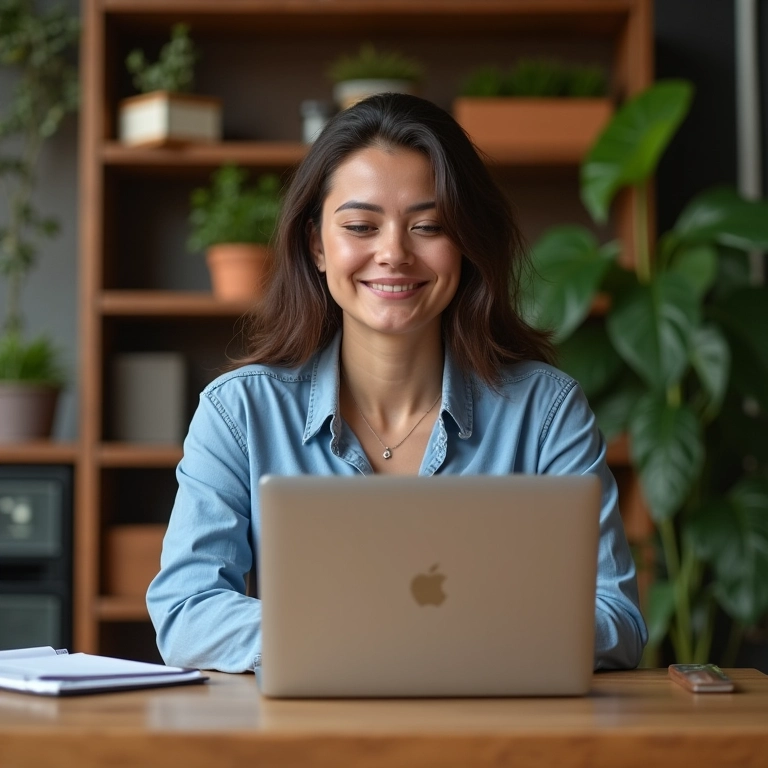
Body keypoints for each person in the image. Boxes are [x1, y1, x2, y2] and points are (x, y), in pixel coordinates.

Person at [146, 93, 648, 673]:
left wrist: (415, 637)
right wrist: (373, 637)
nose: (393, 254)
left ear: (465, 243)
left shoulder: (545, 412)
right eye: (361, 225)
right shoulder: (240, 413)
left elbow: (618, 618)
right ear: (316, 245)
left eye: (428, 226)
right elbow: (186, 611)